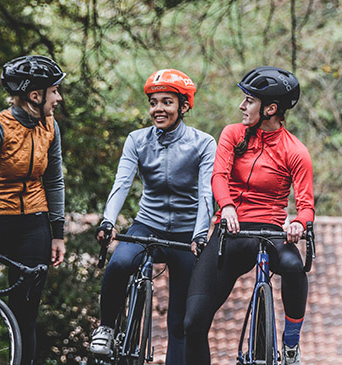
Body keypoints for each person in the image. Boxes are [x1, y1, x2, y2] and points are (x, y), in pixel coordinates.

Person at [184, 66, 315, 365]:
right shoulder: (232, 133)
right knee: (192, 324)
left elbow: (306, 206)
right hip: (229, 233)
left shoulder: (295, 151)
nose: (241, 106)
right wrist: (227, 205)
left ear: (270, 109)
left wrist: (297, 223)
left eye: (249, 101)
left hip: (269, 232)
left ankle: (291, 344)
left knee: (295, 268)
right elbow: (218, 176)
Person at [90, 68, 216, 364]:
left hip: (186, 235)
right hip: (148, 226)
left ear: (184, 106)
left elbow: (206, 195)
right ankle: (106, 328)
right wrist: (109, 220)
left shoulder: (203, 143)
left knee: (179, 321)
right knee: (119, 262)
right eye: (153, 102)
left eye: (167, 102)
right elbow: (121, 183)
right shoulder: (137, 140)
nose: (158, 108)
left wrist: (200, 234)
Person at [0, 55, 66, 364]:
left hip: (33, 223)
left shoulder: (49, 127)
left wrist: (58, 234)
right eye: (54, 91)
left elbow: (54, 179)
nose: (58, 98)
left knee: (26, 314)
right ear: (35, 95)